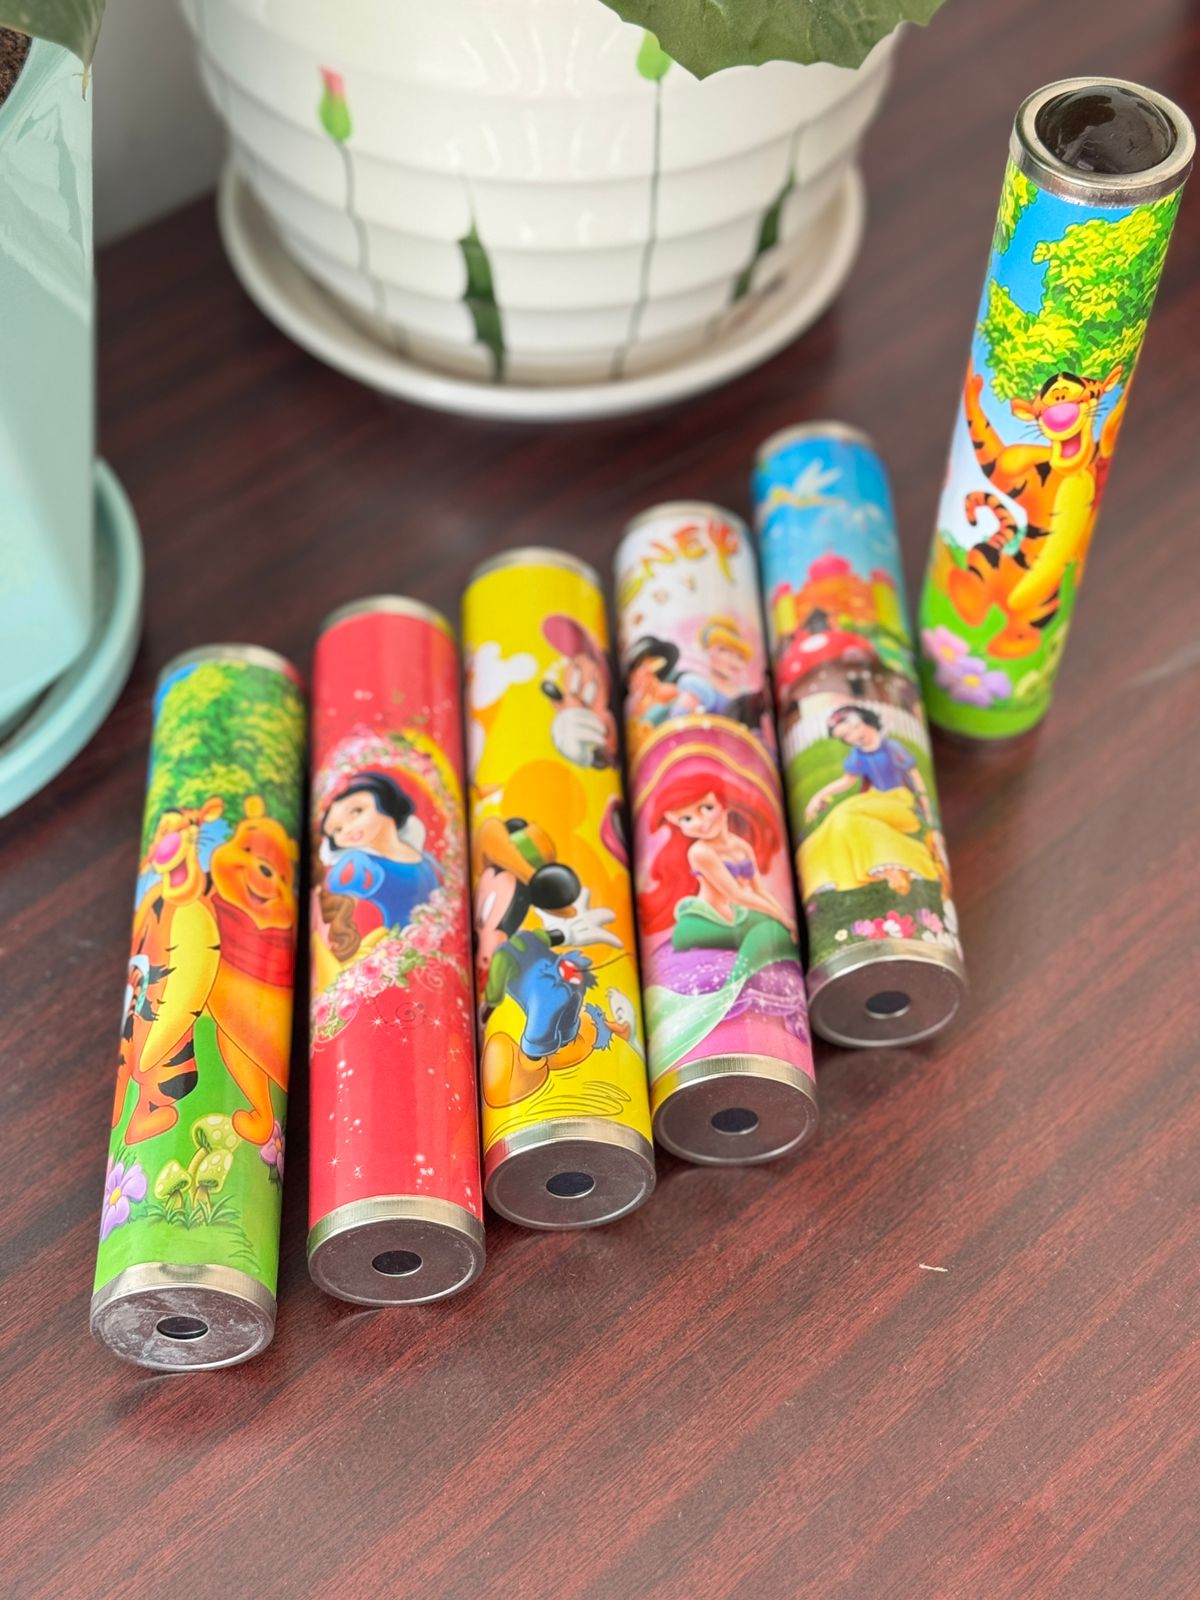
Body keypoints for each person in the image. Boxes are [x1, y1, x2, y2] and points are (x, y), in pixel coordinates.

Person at [800, 706, 939, 895]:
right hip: (875, 798)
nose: (854, 736)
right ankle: (836, 872)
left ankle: (893, 863)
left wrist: (927, 812)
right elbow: (846, 781)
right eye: (846, 736)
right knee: (839, 816)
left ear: (867, 720)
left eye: (855, 727)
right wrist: (818, 796)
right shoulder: (858, 755)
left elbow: (915, 778)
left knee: (848, 814)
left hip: (900, 800)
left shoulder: (891, 747)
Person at [318, 771, 441, 958]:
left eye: (356, 811)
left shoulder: (426, 861)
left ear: (384, 801)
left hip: (433, 953)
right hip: (386, 960)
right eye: (337, 830)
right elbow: (339, 916)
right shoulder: (357, 866)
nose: (348, 829)